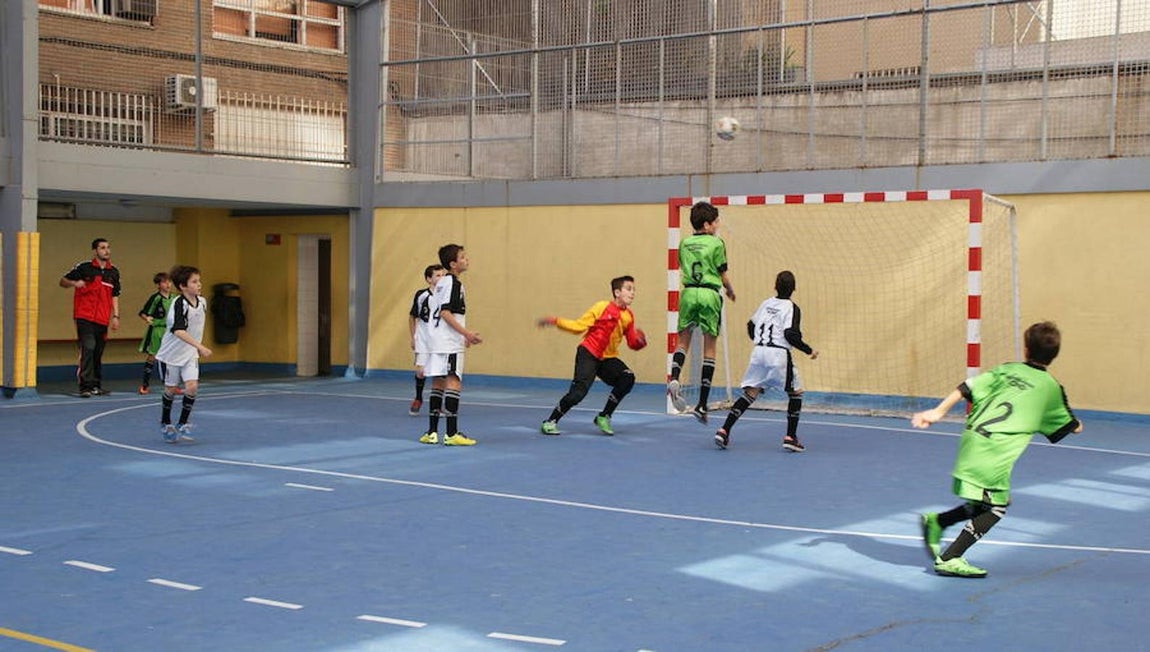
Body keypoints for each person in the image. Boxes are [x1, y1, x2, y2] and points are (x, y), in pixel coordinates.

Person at [912, 321, 1083, 578]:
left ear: (1025, 349)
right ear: (1055, 355)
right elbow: (1071, 426)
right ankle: (950, 557)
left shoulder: (1007, 370)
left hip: (972, 441)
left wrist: (937, 412)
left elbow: (965, 388)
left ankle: (938, 522)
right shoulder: (1051, 388)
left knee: (991, 500)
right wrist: (1077, 424)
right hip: (993, 454)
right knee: (996, 508)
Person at [713, 270, 818, 452]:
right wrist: (809, 350)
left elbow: (751, 325)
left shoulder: (765, 303)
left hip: (758, 352)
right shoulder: (792, 308)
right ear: (794, 289)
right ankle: (790, 437)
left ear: (775, 286)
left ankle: (724, 430)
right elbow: (790, 334)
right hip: (778, 354)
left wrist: (760, 341)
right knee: (796, 393)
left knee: (750, 393)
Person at [538, 275, 647, 436]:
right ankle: (550, 421)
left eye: (634, 290)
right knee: (578, 394)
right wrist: (555, 321)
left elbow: (632, 342)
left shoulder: (628, 316)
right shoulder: (601, 307)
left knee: (627, 378)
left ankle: (604, 416)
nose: (633, 293)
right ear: (617, 292)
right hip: (588, 353)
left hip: (607, 359)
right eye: (629, 289)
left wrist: (639, 342)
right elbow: (577, 326)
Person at [667, 201, 735, 423]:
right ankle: (702, 404)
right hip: (708, 294)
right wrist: (730, 290)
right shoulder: (716, 243)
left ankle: (675, 377)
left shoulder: (684, 243)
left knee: (682, 341)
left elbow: (682, 266)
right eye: (715, 222)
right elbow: (722, 272)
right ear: (706, 225)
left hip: (688, 293)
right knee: (709, 348)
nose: (717, 225)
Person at [419, 244, 482, 446]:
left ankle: (431, 432)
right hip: (447, 343)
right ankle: (452, 433)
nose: (467, 260)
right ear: (453, 264)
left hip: (437, 340)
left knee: (437, 382)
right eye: (463, 257)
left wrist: (462, 335)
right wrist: (466, 334)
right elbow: (446, 313)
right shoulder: (453, 284)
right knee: (454, 381)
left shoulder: (441, 284)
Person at [155, 265, 213, 444]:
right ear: (182, 286)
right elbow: (178, 331)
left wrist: (195, 349)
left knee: (192, 386)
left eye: (199, 281)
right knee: (170, 390)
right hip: (171, 355)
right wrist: (200, 346)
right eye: (194, 282)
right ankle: (165, 422)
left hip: (189, 354)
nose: (199, 284)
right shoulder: (178, 304)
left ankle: (183, 422)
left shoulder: (202, 302)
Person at [59, 237, 122, 397]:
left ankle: (96, 385)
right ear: (95, 251)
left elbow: (115, 295)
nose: (106, 250)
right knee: (88, 347)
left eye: (108, 247)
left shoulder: (113, 272)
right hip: (84, 315)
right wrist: (74, 283)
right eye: (102, 248)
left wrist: (115, 316)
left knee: (98, 351)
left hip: (102, 318)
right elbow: (63, 281)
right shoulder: (84, 267)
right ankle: (85, 386)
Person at [408, 264, 446, 415]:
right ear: (428, 279)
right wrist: (413, 337)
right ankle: (418, 397)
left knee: (440, 373)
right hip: (423, 337)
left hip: (440, 338)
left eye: (442, 275)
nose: (441, 278)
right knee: (421, 371)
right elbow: (412, 316)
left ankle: (438, 404)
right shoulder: (422, 295)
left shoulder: (446, 295)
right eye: (437, 275)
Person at [135, 271, 175, 395]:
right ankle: (145, 385)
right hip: (157, 331)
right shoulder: (156, 298)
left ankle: (170, 385)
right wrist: (147, 318)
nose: (168, 284)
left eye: (169, 281)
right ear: (158, 285)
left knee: (171, 359)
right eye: (164, 282)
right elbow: (143, 312)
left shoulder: (175, 298)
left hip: (170, 331)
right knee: (153, 356)